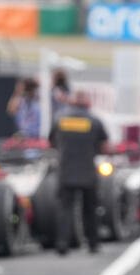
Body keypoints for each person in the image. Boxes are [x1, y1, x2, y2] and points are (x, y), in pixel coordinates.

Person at [48, 91, 108, 255]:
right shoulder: (94, 121)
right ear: (87, 104)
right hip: (88, 171)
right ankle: (93, 243)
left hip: (66, 171)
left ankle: (62, 244)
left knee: (65, 208)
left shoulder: (60, 120)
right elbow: (103, 146)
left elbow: (52, 142)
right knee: (90, 209)